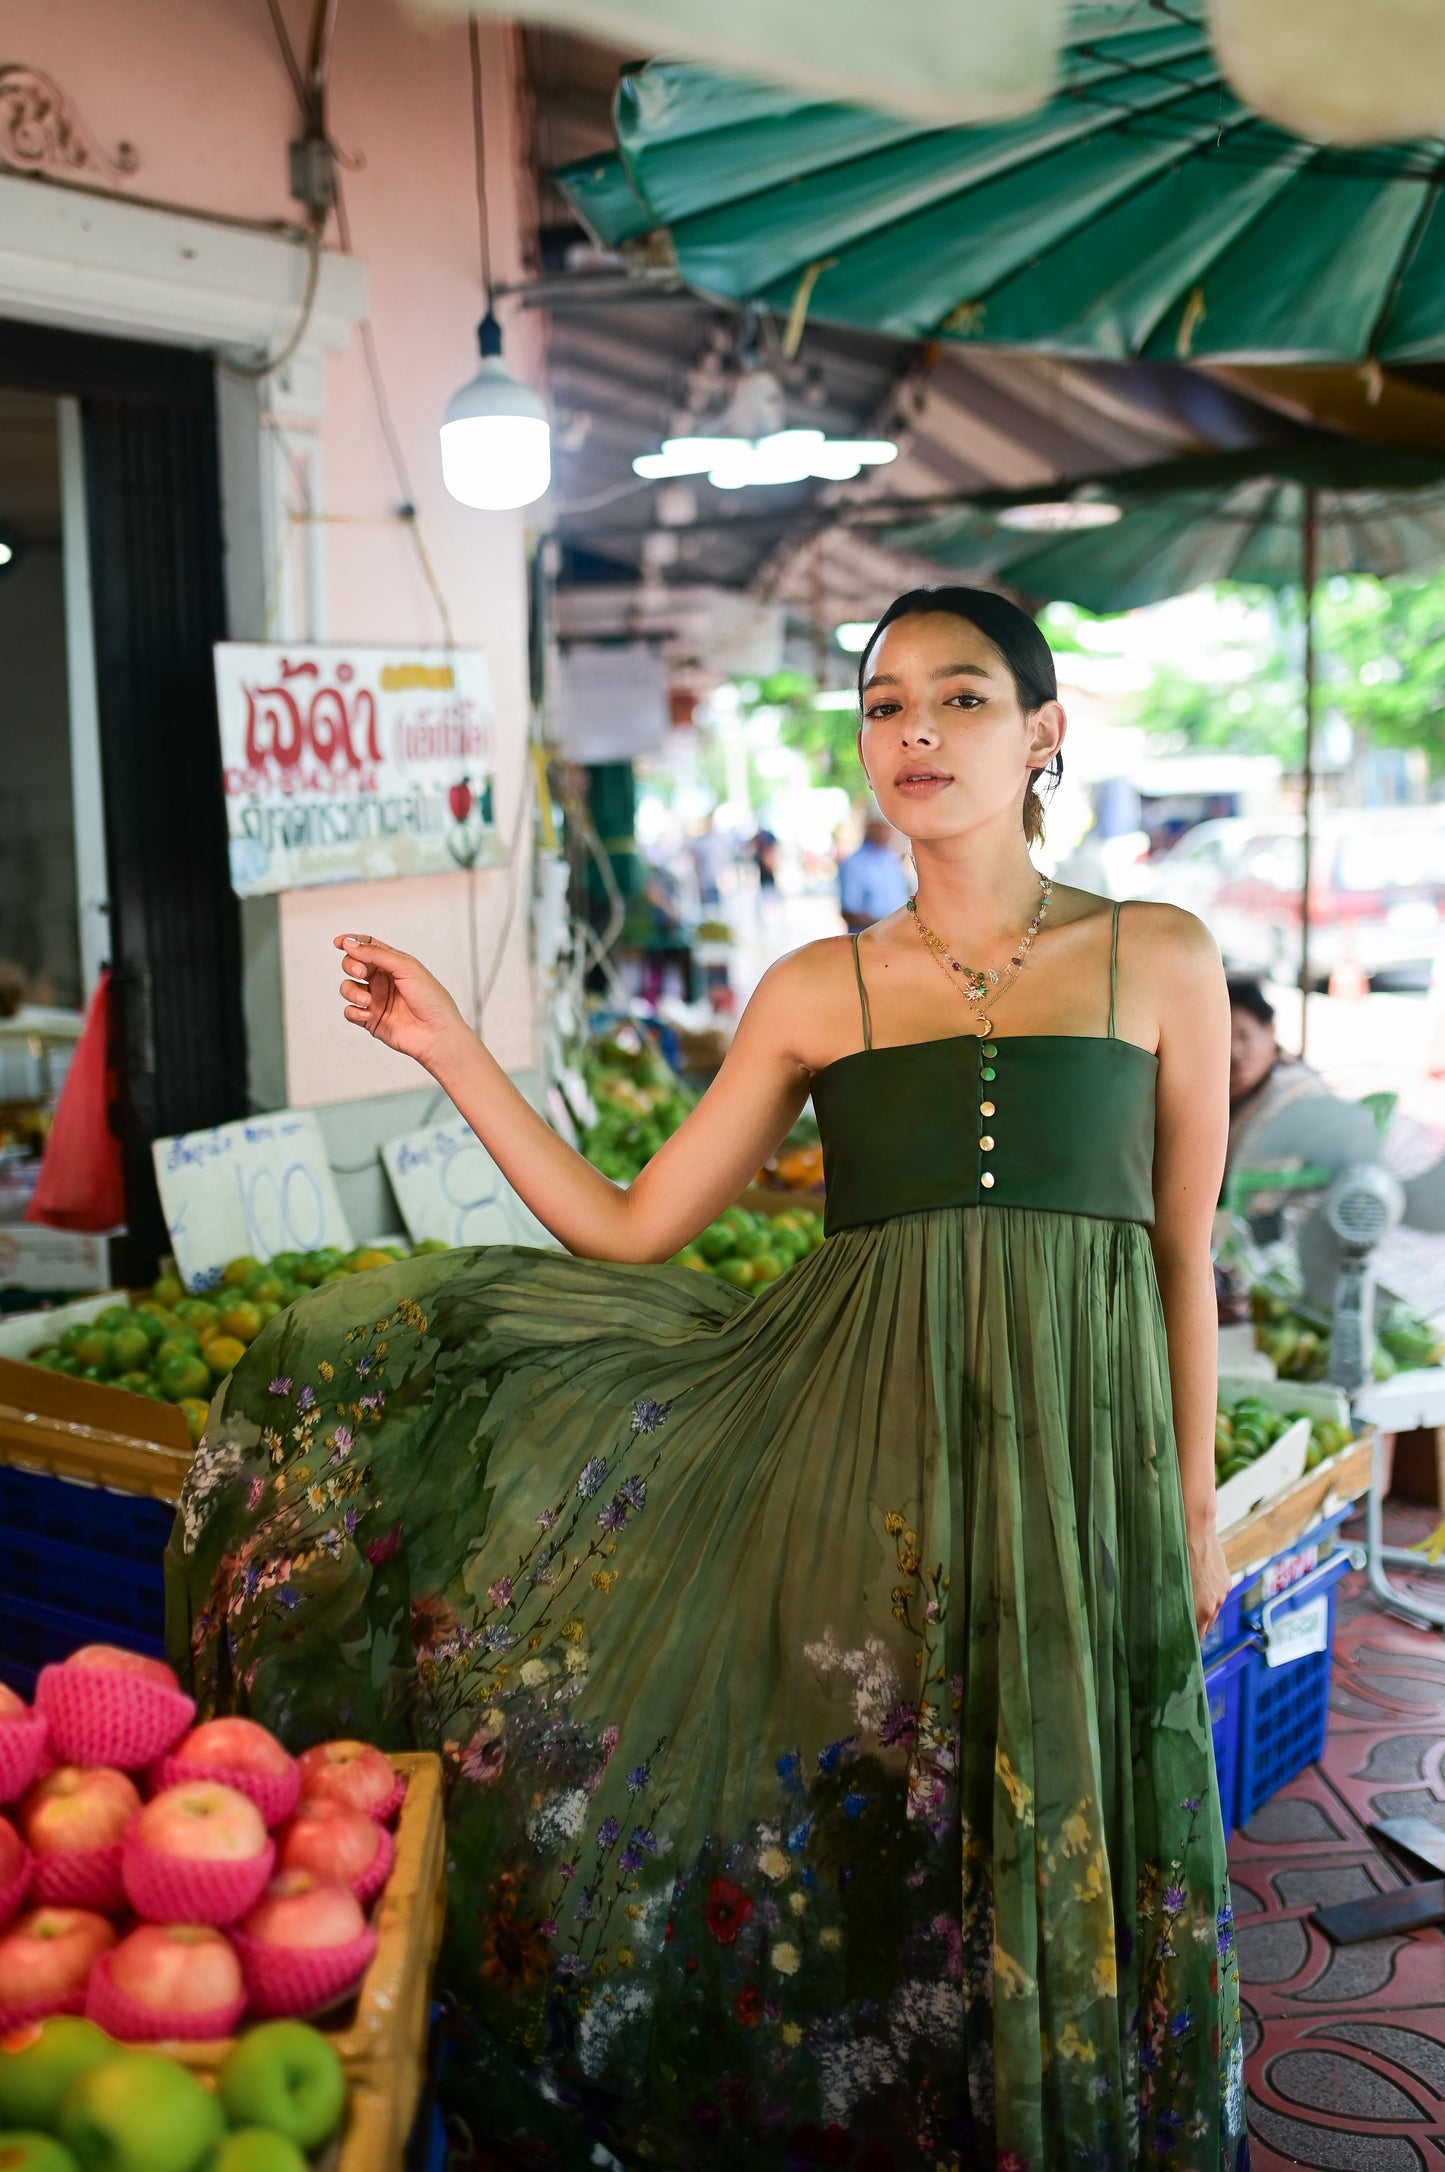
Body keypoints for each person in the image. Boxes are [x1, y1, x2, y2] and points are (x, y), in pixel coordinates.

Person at [168, 586, 1246, 2171]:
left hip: (1081, 1471)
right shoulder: (817, 989)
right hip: (852, 1466)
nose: (919, 733)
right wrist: (458, 1050)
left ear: (1044, 734)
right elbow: (630, 1225)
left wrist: (1196, 1494)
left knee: (1059, 1798)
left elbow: (1179, 1251)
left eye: (960, 699)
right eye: (885, 705)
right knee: (876, 1835)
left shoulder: (1158, 955)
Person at [1226, 976, 1329, 1182]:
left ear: (1270, 1030)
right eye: (1224, 1040)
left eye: (1244, 1036)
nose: (1234, 1052)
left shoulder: (1297, 1090)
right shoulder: (1238, 1092)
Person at [837, 813, 911, 932]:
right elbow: (849, 912)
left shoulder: (891, 859)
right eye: (883, 826)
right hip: (868, 940)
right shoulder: (853, 864)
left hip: (896, 938)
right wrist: (889, 924)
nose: (889, 832)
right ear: (871, 827)